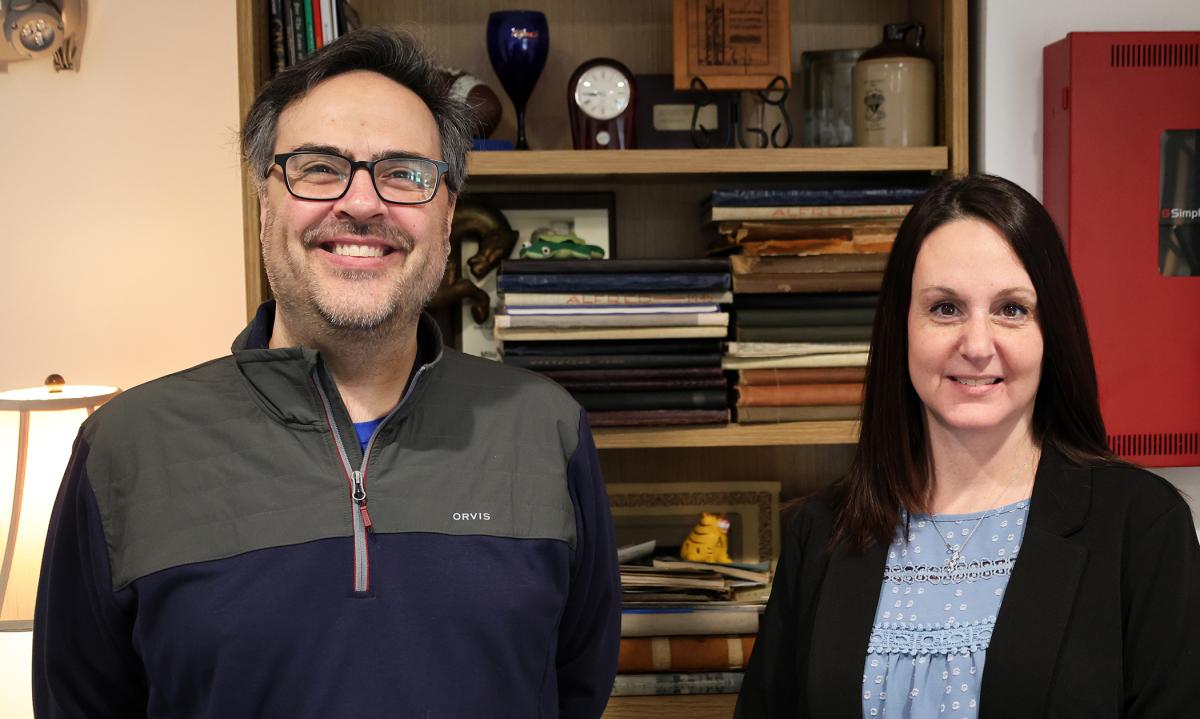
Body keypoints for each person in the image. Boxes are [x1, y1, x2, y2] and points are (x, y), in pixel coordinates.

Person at [33, 28, 620, 718]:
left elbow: (576, 687)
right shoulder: (126, 448)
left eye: (404, 172)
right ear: (264, 204)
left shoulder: (545, 428)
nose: (363, 204)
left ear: (447, 212)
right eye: (317, 167)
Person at [735, 174, 1200, 717]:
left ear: (1051, 331)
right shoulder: (819, 533)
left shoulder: (1143, 526)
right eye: (946, 308)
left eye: (1012, 309)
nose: (977, 346)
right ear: (901, 328)